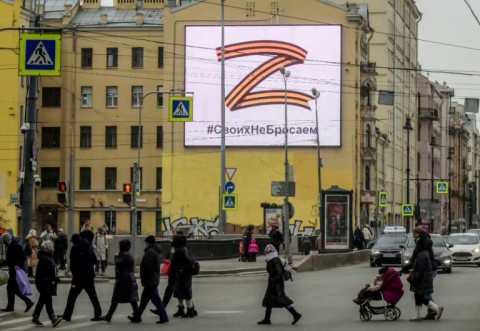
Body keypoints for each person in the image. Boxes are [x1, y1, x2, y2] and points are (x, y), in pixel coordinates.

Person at [61, 233, 102, 322]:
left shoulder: (75, 248)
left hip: (79, 277)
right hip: (89, 275)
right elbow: (95, 260)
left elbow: (73, 264)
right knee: (93, 295)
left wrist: (74, 274)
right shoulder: (89, 247)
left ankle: (67, 315)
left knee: (72, 296)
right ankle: (98, 314)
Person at [129, 235, 169, 324]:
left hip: (150, 279)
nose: (144, 244)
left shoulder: (150, 252)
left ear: (147, 243)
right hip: (153, 278)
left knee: (156, 300)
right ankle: (137, 316)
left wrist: (143, 275)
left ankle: (164, 317)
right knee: (144, 300)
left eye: (145, 243)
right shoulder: (156, 251)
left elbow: (147, 265)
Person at [258, 244, 301, 325]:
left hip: (276, 285)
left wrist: (273, 281)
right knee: (268, 301)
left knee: (282, 300)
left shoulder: (274, 260)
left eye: (266, 251)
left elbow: (280, 273)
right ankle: (267, 319)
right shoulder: (271, 260)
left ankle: (296, 314)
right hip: (273, 284)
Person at [402, 227, 438, 320]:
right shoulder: (422, 243)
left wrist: (416, 277)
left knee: (425, 292)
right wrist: (407, 267)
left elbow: (420, 259)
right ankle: (433, 310)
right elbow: (414, 257)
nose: (413, 237)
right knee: (423, 292)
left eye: (414, 235)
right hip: (427, 268)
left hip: (428, 269)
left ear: (418, 235)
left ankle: (434, 310)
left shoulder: (423, 246)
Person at [100, 239, 139, 323]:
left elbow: (118, 263)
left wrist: (116, 256)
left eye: (120, 245)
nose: (118, 247)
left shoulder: (124, 255)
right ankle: (137, 315)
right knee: (132, 299)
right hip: (129, 278)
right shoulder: (128, 254)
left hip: (123, 279)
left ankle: (108, 316)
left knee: (116, 298)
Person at [408, 232, 444, 321]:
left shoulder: (421, 255)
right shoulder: (424, 252)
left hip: (422, 279)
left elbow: (420, 270)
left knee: (421, 295)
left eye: (417, 242)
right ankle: (422, 313)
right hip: (425, 278)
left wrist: (415, 279)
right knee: (419, 296)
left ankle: (434, 309)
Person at [0, 233, 34, 313]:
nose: (4, 243)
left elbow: (23, 256)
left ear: (8, 240)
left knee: (12, 288)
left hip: (17, 271)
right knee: (11, 289)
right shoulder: (10, 246)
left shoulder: (16, 246)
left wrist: (18, 264)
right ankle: (14, 305)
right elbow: (8, 260)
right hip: (13, 270)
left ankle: (27, 302)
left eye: (4, 241)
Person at [31, 241, 62, 327]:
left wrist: (54, 279)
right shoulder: (45, 259)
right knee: (48, 300)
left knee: (43, 300)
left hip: (46, 283)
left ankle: (35, 316)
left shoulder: (48, 257)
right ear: (47, 248)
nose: (53, 247)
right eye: (50, 246)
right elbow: (43, 273)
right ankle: (53, 318)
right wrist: (52, 280)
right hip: (45, 283)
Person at [170, 245, 196, 318]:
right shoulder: (185, 249)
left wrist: (172, 253)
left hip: (181, 275)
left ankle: (187, 310)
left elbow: (173, 261)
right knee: (184, 292)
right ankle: (188, 309)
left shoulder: (178, 250)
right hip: (186, 274)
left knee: (181, 292)